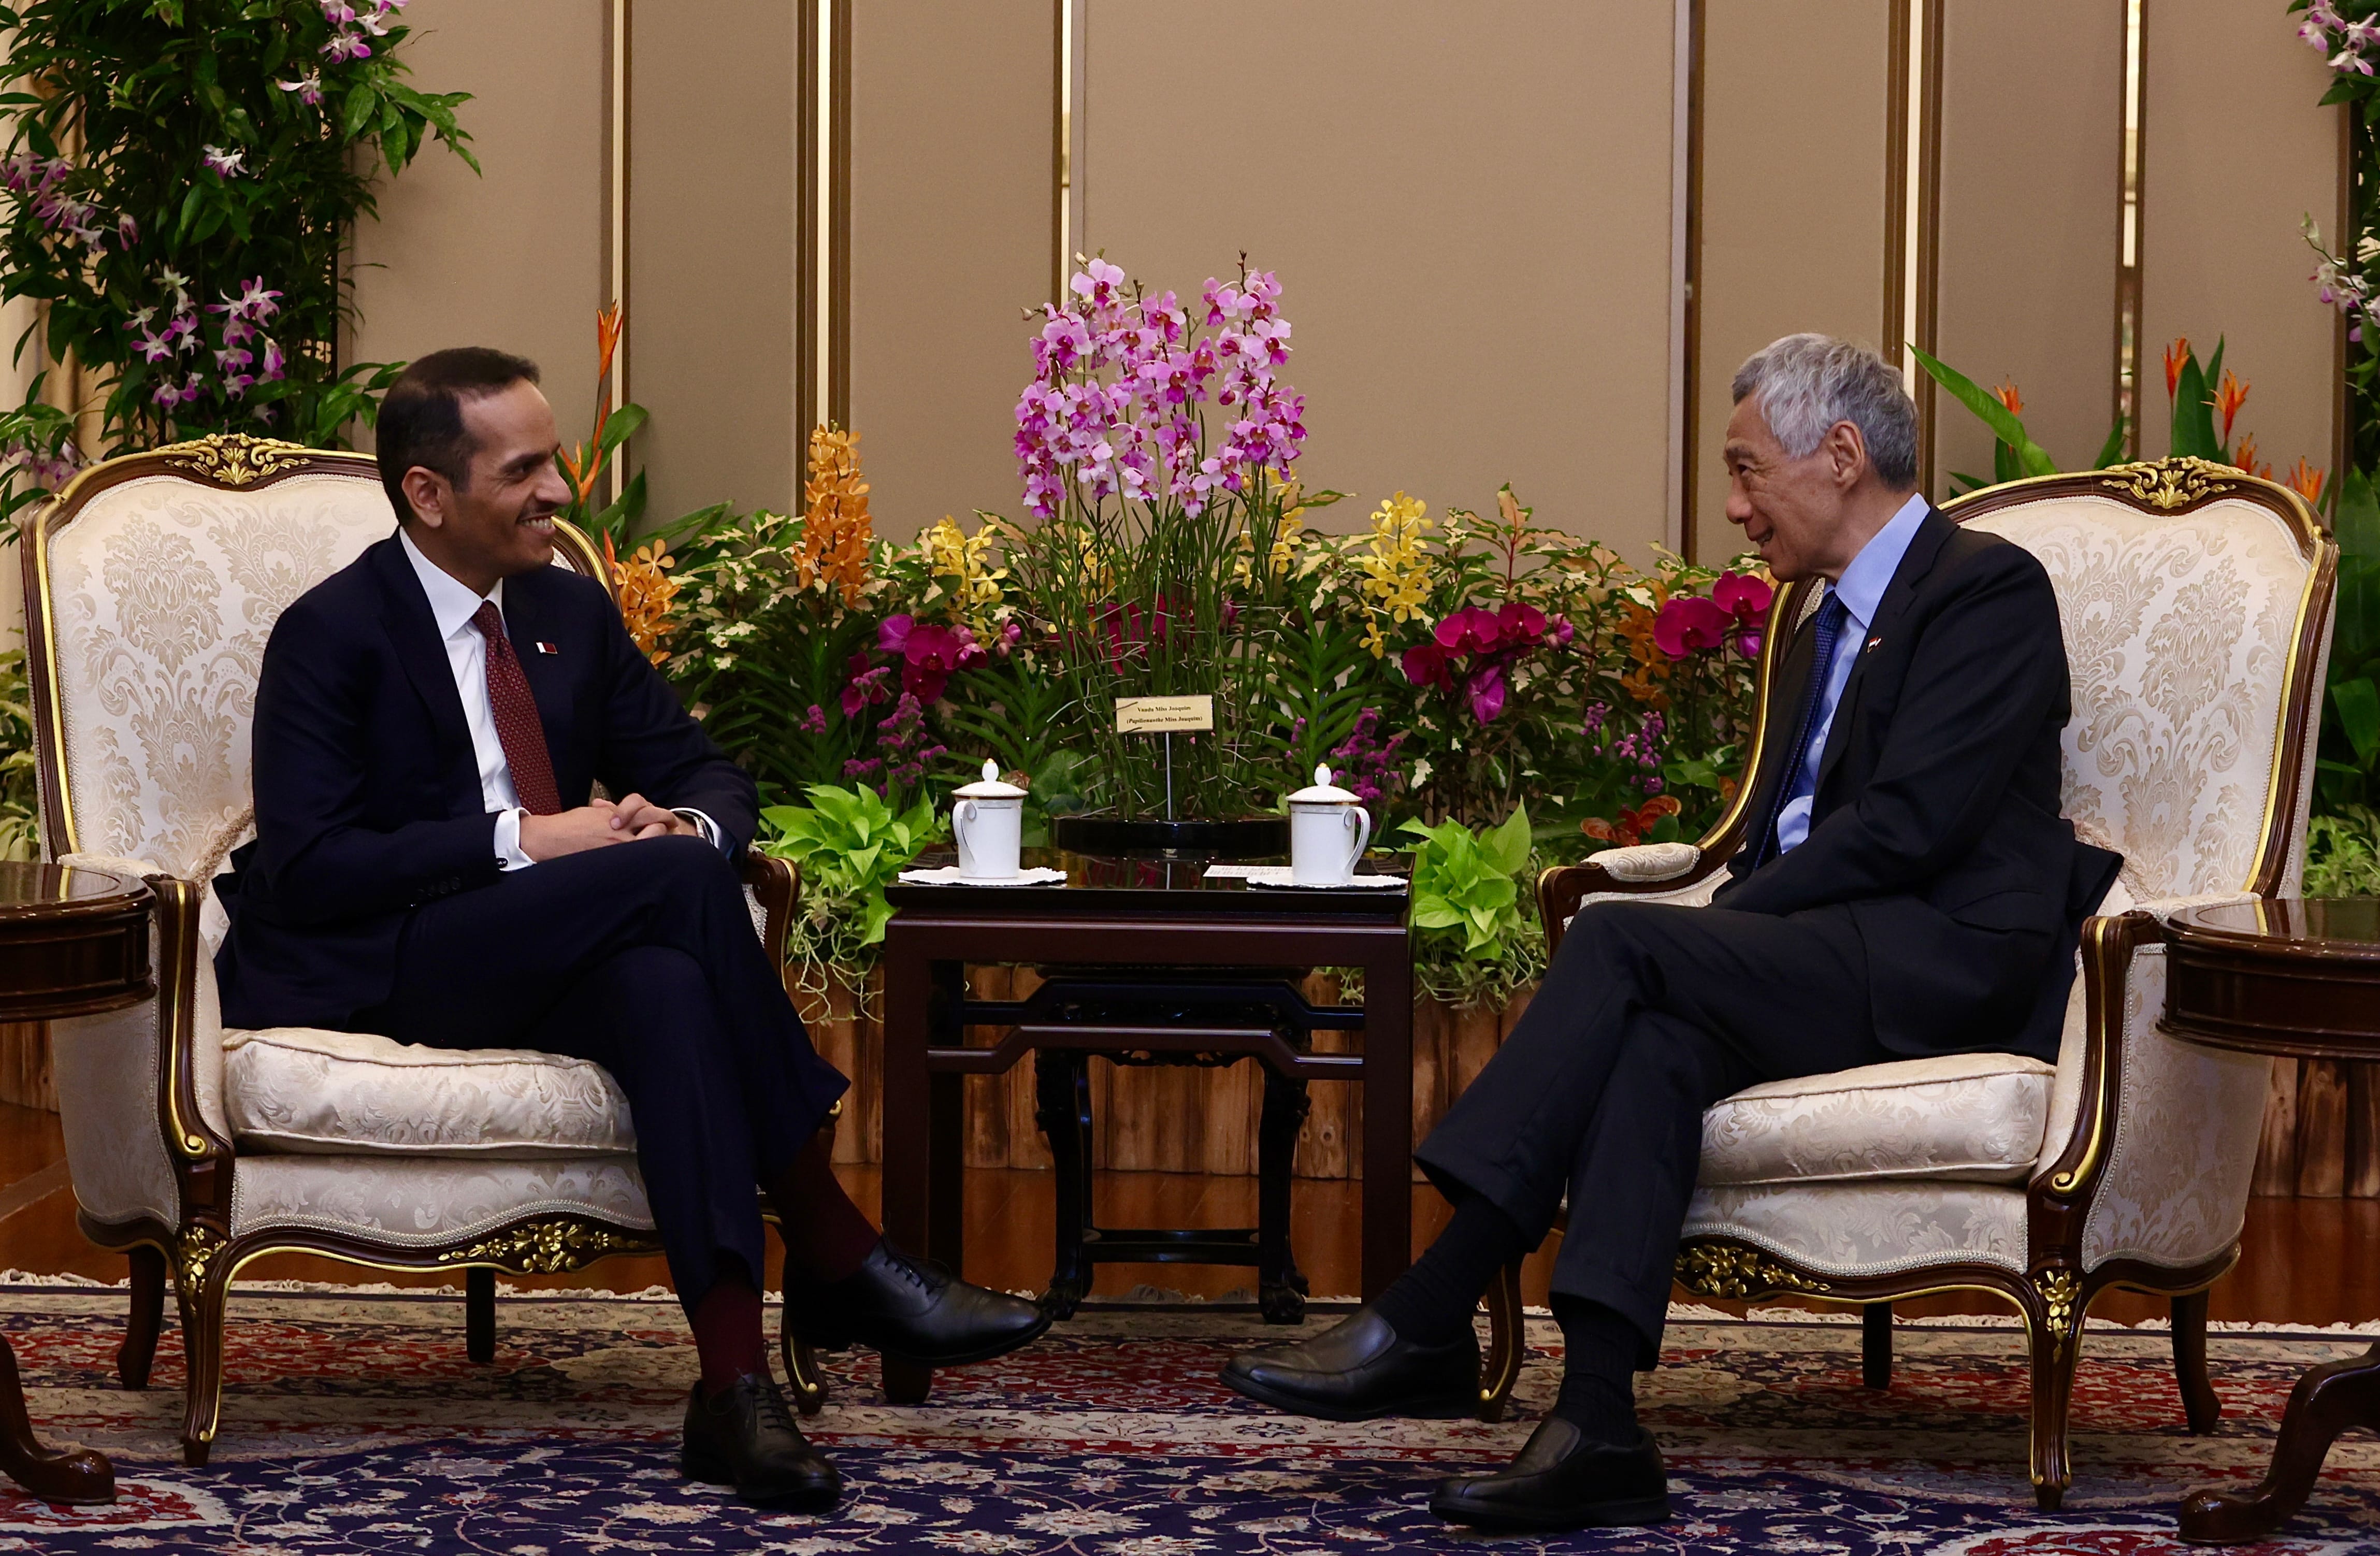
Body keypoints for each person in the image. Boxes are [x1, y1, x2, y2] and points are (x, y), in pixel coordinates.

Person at [1220, 334, 2122, 1532]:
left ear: (1841, 453)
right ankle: (1599, 1420)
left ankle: (1434, 1303)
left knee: (1621, 943)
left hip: (1943, 954)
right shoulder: (1816, 621)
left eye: (1748, 470)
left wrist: (1717, 923)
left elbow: (1911, 824)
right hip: (1825, 956)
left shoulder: (1985, 589)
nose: (1736, 508)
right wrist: (1725, 927)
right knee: (1657, 1040)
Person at [213, 348, 1048, 1511]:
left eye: (553, 462)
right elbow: (310, 868)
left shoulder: (565, 611)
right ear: (428, 493)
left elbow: (708, 773)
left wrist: (682, 820)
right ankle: (835, 1243)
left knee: (667, 980)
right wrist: (519, 837)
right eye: (525, 470)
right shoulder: (332, 631)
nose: (559, 492)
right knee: (671, 890)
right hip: (386, 960)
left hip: (545, 949)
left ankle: (734, 1391)